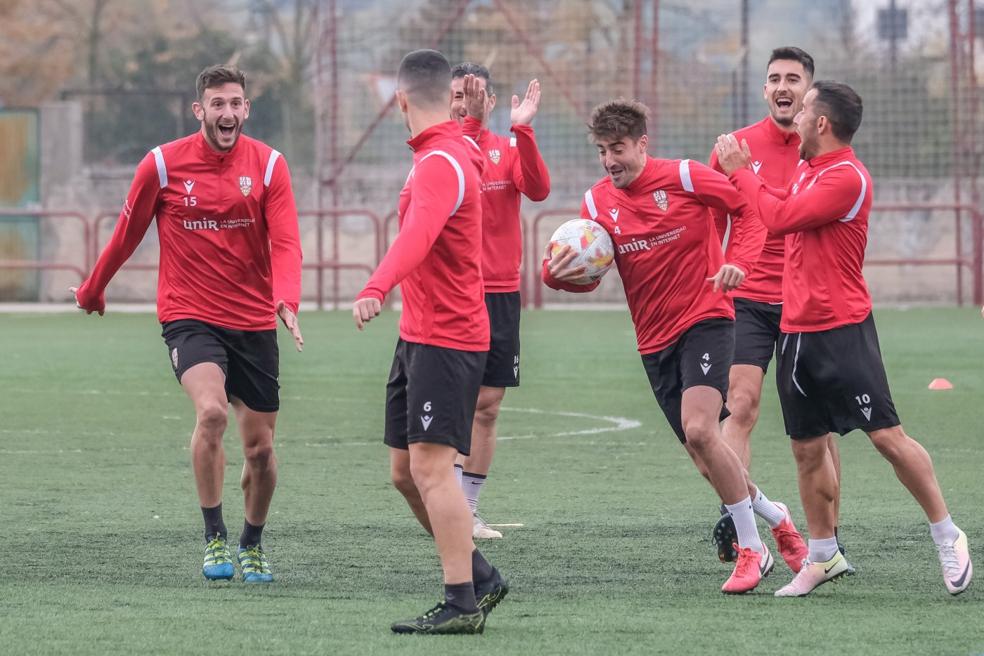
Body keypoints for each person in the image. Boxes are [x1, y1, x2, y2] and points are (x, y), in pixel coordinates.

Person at [717, 80, 973, 597]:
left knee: (887, 438)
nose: (797, 112)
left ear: (822, 123)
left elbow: (779, 218)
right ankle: (822, 555)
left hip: (843, 330)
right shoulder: (811, 170)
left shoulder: (848, 178)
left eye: (806, 105)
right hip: (795, 332)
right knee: (807, 449)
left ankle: (948, 533)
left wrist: (741, 172)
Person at [542, 99, 807, 594]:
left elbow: (748, 212)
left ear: (642, 143)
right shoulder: (596, 205)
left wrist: (739, 262)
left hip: (707, 319)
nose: (609, 160)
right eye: (601, 151)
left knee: (702, 429)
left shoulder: (685, 176)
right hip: (653, 341)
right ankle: (778, 518)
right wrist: (554, 276)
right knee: (705, 458)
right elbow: (586, 270)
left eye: (617, 148)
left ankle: (751, 551)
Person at [72, 65, 304, 583]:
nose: (227, 113)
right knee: (212, 411)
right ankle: (214, 537)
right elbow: (126, 235)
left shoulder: (269, 167)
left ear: (247, 109)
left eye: (236, 103)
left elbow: (286, 240)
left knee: (261, 451)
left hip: (253, 322)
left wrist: (286, 298)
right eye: (217, 104)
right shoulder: (161, 165)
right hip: (189, 315)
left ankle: (252, 542)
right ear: (199, 110)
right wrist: (93, 288)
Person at [352, 49, 507, 634]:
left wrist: (376, 284)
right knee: (404, 471)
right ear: (451, 96)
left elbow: (419, 235)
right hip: (418, 335)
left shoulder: (441, 161)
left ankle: (462, 601)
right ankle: (480, 574)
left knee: (434, 470)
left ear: (399, 101)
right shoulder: (446, 150)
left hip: (447, 337)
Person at [706, 47, 847, 565]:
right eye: (774, 79)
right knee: (738, 405)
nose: (782, 86)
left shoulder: (823, 147)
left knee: (818, 426)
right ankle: (739, 522)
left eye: (793, 78)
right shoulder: (734, 146)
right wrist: (716, 270)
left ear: (809, 93)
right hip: (745, 301)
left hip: (803, 303)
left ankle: (828, 536)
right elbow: (710, 222)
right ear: (765, 91)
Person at [449, 62, 551, 539]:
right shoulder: (439, 152)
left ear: (491, 102)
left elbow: (538, 188)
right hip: (453, 293)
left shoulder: (508, 148)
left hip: (500, 294)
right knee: (454, 401)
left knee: (488, 405)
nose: (464, 101)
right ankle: (444, 504)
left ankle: (466, 511)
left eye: (474, 95)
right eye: (456, 94)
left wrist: (524, 130)